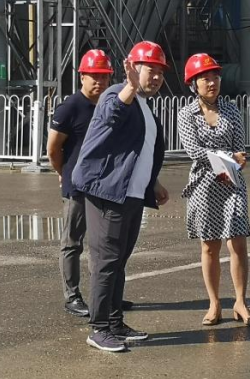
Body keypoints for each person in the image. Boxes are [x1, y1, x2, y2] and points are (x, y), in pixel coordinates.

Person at [72, 41, 170, 353]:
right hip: (108, 193)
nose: (156, 77)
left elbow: (138, 150)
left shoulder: (143, 105)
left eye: (160, 72)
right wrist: (129, 86)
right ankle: (99, 328)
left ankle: (115, 322)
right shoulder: (116, 94)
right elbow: (110, 116)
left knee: (118, 261)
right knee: (106, 262)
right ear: (133, 69)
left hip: (132, 195)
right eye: (150, 70)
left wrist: (153, 183)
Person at [176, 53, 250, 327]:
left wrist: (232, 159)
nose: (212, 82)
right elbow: (194, 151)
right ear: (193, 84)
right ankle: (214, 303)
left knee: (238, 243)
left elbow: (240, 150)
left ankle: (240, 302)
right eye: (205, 78)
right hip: (204, 185)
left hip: (231, 183)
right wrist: (229, 157)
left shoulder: (231, 110)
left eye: (215, 77)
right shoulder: (186, 114)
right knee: (210, 246)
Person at [47, 49, 112, 318]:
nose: (99, 81)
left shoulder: (109, 105)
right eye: (94, 76)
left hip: (104, 185)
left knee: (104, 243)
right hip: (77, 186)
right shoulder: (71, 107)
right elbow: (53, 149)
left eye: (104, 76)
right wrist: (63, 172)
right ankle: (72, 296)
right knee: (72, 242)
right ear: (81, 76)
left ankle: (104, 296)